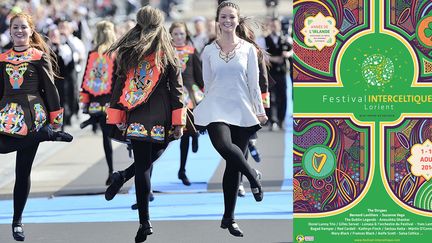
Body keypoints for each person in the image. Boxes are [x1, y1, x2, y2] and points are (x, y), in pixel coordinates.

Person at [106, 6, 185, 243]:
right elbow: (177, 88)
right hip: (161, 113)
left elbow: (118, 86)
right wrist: (178, 120)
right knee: (151, 158)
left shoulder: (128, 49)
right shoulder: (166, 49)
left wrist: (117, 116)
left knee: (142, 165)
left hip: (135, 111)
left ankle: (143, 220)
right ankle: (141, 214)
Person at [193, 1, 268, 237]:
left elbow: (254, 85)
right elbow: (207, 83)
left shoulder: (249, 49)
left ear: (237, 20)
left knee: (232, 166)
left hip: (242, 109)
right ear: (218, 20)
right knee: (226, 147)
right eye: (223, 17)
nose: (228, 21)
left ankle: (229, 218)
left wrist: (260, 110)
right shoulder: (207, 50)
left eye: (232, 17)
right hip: (216, 108)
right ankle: (253, 176)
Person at [0, 12, 73, 241]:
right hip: (8, 113)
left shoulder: (39, 56)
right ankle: (46, 136)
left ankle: (17, 222)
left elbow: (51, 90)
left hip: (33, 116)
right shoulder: (2, 59)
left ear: (31, 31)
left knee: (23, 170)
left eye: (23, 27)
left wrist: (55, 120)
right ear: (10, 31)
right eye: (15, 28)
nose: (19, 31)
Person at [79, 20, 118, 185]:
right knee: (122, 133)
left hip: (97, 102)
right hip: (113, 102)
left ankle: (111, 170)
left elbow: (86, 79)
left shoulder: (93, 54)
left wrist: (85, 103)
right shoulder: (116, 54)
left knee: (106, 137)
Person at [169, 21, 204, 186]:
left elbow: (199, 75)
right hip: (172, 96)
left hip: (189, 95)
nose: (178, 37)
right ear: (170, 36)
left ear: (186, 35)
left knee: (186, 135)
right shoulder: (166, 53)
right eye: (175, 34)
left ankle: (182, 170)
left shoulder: (192, 51)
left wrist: (204, 92)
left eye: (181, 34)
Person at [263, 17, 290, 131]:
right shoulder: (264, 40)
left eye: (276, 25)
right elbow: (262, 55)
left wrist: (287, 54)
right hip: (270, 72)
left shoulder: (286, 38)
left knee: (282, 96)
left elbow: (293, 51)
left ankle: (281, 119)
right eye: (272, 25)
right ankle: (272, 120)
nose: (274, 27)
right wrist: (274, 59)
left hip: (282, 72)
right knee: (271, 97)